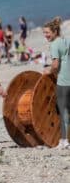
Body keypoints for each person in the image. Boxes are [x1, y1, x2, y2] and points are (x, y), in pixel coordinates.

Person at [43, 17, 70, 149]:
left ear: (55, 32)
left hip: (63, 80)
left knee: (62, 110)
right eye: (44, 33)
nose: (45, 35)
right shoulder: (66, 40)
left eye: (47, 33)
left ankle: (64, 141)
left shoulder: (54, 44)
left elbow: (55, 64)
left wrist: (48, 71)